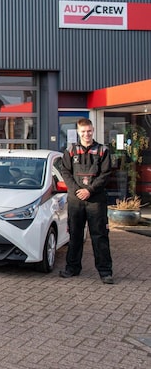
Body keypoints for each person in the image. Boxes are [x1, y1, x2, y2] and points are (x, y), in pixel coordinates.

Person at [60, 118, 114, 283]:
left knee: (100, 236)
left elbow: (105, 174)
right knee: (75, 235)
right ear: (78, 132)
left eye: (89, 131)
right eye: (83, 131)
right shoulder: (71, 151)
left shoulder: (103, 151)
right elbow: (65, 172)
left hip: (96, 200)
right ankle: (72, 268)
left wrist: (89, 190)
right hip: (76, 200)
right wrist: (77, 190)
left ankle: (105, 272)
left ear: (93, 130)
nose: (86, 134)